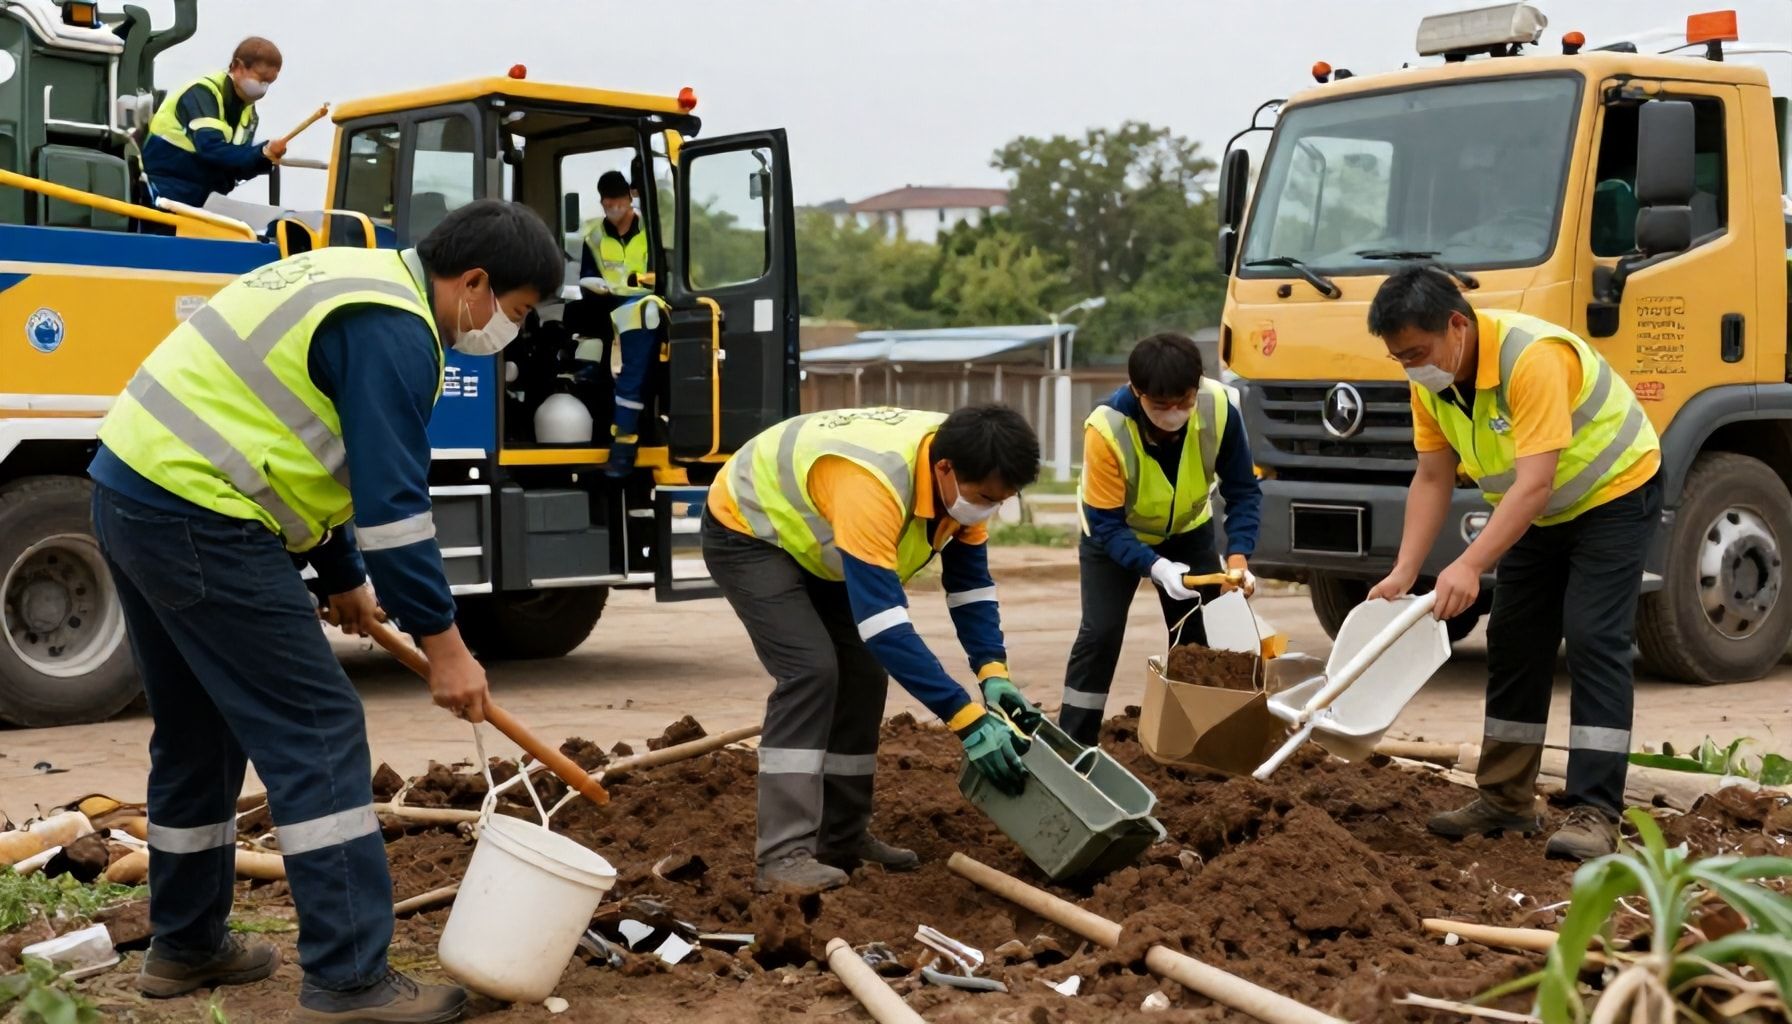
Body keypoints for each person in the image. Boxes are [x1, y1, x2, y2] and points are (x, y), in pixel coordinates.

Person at [90, 199, 564, 1021]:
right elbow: (395, 508)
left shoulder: (361, 281)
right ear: (475, 283)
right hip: (201, 513)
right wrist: (445, 645)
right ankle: (350, 980)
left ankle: (187, 943)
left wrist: (339, 569)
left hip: (134, 490)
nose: (505, 332)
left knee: (201, 731)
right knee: (318, 729)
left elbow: (311, 445)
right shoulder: (395, 329)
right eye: (514, 313)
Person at [1364, 265, 1661, 860]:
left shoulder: (1532, 359)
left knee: (1592, 636)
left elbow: (1535, 482)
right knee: (1514, 638)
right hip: (1539, 514)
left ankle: (1596, 810)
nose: (1411, 367)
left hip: (1613, 494)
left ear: (1457, 325)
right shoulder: (1432, 381)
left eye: (1417, 352)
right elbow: (1431, 475)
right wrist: (1405, 571)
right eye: (1400, 358)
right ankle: (1505, 799)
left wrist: (1469, 564)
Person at [702, 405, 1043, 895]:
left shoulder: (968, 465)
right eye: (986, 498)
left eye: (1002, 500)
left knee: (863, 673)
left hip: (823, 543)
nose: (990, 509)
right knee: (811, 672)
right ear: (944, 469)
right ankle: (782, 856)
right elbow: (885, 626)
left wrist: (993, 673)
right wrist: (965, 719)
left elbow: (970, 585)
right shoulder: (875, 483)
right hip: (752, 529)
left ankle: (840, 837)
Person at [1058, 333, 1263, 746]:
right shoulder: (1106, 428)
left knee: (1199, 638)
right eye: (1159, 405)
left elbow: (1243, 490)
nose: (1173, 413)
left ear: (1198, 385)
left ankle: (1194, 744)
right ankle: (1074, 744)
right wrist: (1155, 567)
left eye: (1183, 401)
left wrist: (1238, 559)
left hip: (1188, 532)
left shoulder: (1220, 408)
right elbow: (1107, 525)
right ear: (1137, 391)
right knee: (1101, 633)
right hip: (1115, 539)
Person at [579, 169, 665, 477]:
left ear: (630, 198)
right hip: (607, 308)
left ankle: (623, 454)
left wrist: (642, 281)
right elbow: (587, 276)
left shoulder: (653, 230)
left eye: (618, 199)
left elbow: (666, 273)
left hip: (643, 309)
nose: (613, 206)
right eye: (607, 201)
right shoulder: (595, 236)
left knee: (633, 379)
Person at [142, 37, 286, 216]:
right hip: (167, 194)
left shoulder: (249, 115)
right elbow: (210, 148)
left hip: (205, 201)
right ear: (237, 66)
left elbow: (236, 166)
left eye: (268, 83)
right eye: (260, 79)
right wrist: (261, 152)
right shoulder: (202, 93)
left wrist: (264, 159)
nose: (263, 88)